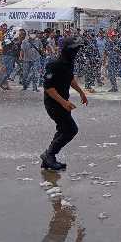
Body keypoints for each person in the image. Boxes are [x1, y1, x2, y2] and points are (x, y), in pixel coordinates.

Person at [40, 36, 88, 171]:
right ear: (66, 50)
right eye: (74, 50)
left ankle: (48, 158)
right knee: (71, 129)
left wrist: (81, 92)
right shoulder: (54, 64)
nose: (76, 52)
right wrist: (63, 102)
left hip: (63, 103)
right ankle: (49, 154)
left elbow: (70, 78)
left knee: (63, 129)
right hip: (54, 103)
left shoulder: (68, 63)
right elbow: (49, 88)